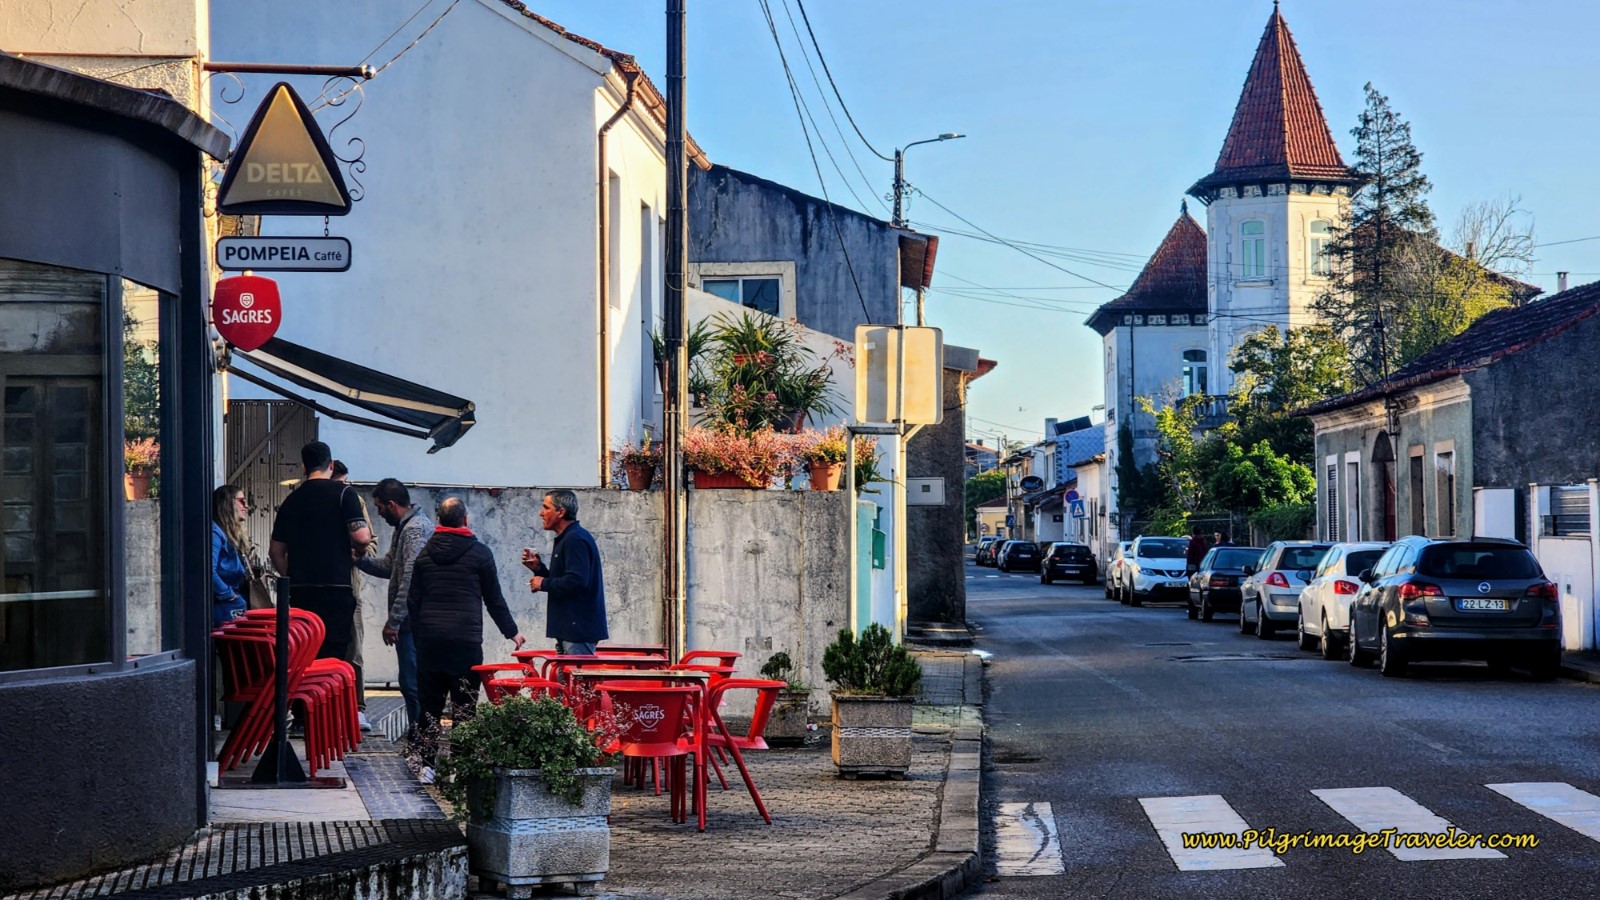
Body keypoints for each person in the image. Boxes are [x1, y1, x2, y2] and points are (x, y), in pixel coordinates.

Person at [408, 496, 525, 738]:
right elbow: (494, 598)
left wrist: (420, 639)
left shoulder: (424, 556)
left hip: (431, 642)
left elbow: (413, 601)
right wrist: (512, 632)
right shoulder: (480, 554)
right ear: (466, 520)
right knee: (464, 709)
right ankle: (460, 767)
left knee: (429, 707)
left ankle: (426, 765)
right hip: (465, 643)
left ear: (439, 520)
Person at [269, 441, 372, 660]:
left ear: (304, 468)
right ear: (331, 465)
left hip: (301, 593)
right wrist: (358, 553)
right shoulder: (345, 494)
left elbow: (275, 552)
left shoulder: (291, 501)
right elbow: (362, 537)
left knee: (305, 654)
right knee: (334, 657)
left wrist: (291, 575)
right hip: (336, 589)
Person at [357, 477, 433, 734]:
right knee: (408, 681)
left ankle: (421, 734)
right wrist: (360, 559)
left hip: (414, 620)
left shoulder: (415, 530)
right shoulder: (405, 527)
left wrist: (395, 620)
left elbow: (410, 578)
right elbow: (392, 566)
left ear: (391, 504)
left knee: (413, 682)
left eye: (379, 507)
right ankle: (419, 731)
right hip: (410, 620)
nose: (378, 512)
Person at [522, 489, 608, 655]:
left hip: (577, 631)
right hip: (569, 630)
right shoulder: (569, 538)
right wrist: (538, 569)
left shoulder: (574, 539)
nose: (541, 513)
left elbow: (576, 581)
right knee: (565, 680)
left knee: (575, 679)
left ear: (561, 512)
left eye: (546, 508)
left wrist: (543, 583)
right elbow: (565, 581)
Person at [332, 459, 378, 732]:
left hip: (349, 587)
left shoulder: (353, 501)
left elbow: (370, 542)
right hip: (318, 586)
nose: (343, 489)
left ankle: (356, 708)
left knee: (354, 649)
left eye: (345, 484)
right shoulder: (307, 500)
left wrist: (356, 554)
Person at [210, 485, 251, 627]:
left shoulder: (225, 533)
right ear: (227, 503)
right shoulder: (215, 533)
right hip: (224, 605)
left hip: (230, 602)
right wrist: (228, 595)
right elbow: (209, 570)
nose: (246, 507)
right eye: (241, 501)